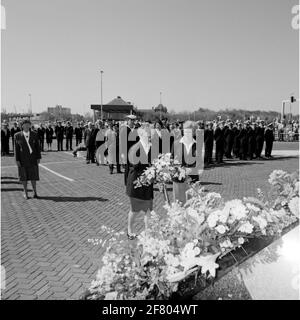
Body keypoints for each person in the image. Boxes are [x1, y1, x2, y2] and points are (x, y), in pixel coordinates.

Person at [126, 126, 153, 240]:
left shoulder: (152, 147)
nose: (150, 136)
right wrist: (149, 170)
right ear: (141, 135)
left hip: (147, 183)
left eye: (150, 135)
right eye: (147, 134)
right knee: (135, 210)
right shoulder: (135, 148)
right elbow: (134, 166)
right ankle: (130, 230)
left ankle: (148, 232)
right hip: (136, 183)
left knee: (149, 209)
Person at [14, 119, 41, 199]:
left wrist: (38, 157)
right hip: (22, 160)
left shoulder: (35, 134)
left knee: (33, 176)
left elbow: (37, 147)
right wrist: (17, 160)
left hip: (33, 159)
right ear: (22, 126)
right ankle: (25, 193)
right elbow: (16, 149)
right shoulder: (17, 135)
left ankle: (35, 192)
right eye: (24, 124)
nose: (26, 126)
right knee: (23, 177)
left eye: (28, 124)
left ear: (30, 125)